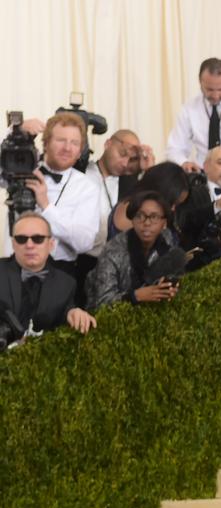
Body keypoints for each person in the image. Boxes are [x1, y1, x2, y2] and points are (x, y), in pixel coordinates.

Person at [4, 114, 100, 274]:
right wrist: (13, 131)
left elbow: (84, 242)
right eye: (61, 140)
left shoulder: (88, 187)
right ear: (46, 143)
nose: (67, 148)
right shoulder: (19, 168)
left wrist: (46, 206)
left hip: (61, 273)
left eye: (74, 143)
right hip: (12, 270)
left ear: (80, 151)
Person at [0, 212, 94, 349]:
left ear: (51, 244)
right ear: (14, 244)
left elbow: (65, 312)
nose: (29, 245)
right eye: (21, 239)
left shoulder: (66, 283)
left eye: (38, 239)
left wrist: (73, 313)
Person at [86, 191, 180, 310]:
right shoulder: (113, 251)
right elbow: (101, 303)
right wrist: (136, 296)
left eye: (154, 217)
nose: (146, 223)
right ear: (132, 220)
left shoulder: (167, 240)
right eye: (140, 216)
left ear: (164, 223)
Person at [84, 129, 154, 256]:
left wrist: (149, 171)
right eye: (122, 154)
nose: (125, 163)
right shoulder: (82, 172)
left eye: (131, 159)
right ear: (107, 144)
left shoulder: (131, 184)